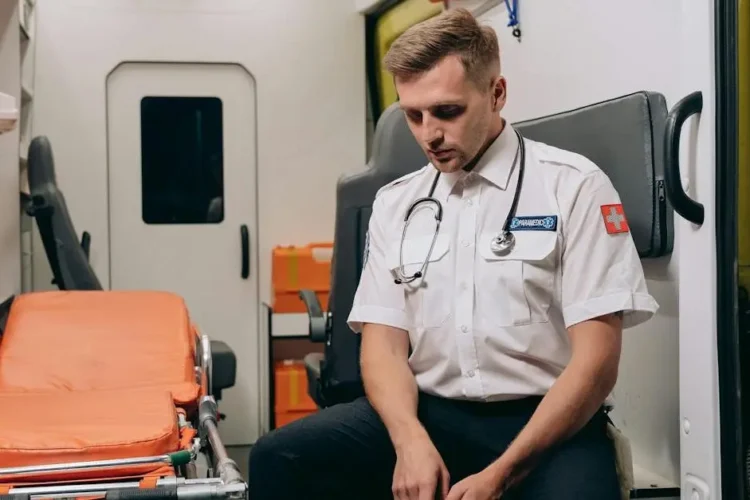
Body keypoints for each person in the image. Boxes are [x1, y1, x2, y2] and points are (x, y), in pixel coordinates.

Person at [248, 8, 657, 500]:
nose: (428, 134)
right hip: (430, 413)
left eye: (446, 112)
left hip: (550, 422)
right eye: (413, 116)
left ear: (496, 94)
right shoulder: (398, 202)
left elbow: (597, 363)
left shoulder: (574, 188)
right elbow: (383, 345)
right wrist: (408, 440)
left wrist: (501, 474)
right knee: (279, 457)